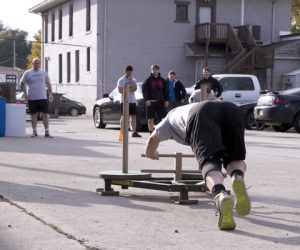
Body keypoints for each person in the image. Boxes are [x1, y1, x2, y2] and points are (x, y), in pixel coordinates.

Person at [144, 97, 251, 230]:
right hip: (231, 109)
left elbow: (152, 139)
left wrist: (151, 154)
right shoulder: (185, 108)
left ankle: (220, 194)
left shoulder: (168, 120)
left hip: (201, 114)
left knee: (210, 162)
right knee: (234, 158)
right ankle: (237, 176)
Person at [20, 58, 53, 138]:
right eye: (35, 63)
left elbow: (48, 83)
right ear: (32, 64)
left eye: (38, 63)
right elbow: (21, 83)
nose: (36, 64)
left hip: (43, 97)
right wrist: (25, 93)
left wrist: (51, 94)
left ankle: (47, 132)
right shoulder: (28, 73)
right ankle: (34, 132)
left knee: (45, 115)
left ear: (40, 64)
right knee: (33, 115)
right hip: (32, 98)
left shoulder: (43, 72)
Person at [142, 64, 169, 134]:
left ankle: (162, 132)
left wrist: (166, 100)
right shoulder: (148, 80)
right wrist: (146, 100)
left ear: (158, 70)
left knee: (163, 118)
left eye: (156, 69)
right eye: (153, 69)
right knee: (150, 118)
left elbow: (166, 91)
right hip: (151, 102)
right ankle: (151, 132)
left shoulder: (162, 80)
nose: (154, 71)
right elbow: (144, 90)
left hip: (160, 102)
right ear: (151, 70)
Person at [117, 65, 142, 138]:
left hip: (132, 101)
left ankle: (134, 132)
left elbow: (134, 88)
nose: (129, 74)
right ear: (125, 72)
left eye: (130, 72)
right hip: (124, 101)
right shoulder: (121, 80)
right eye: (128, 72)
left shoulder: (133, 80)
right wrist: (129, 89)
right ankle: (122, 132)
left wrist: (130, 81)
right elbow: (120, 90)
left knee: (133, 116)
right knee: (124, 116)